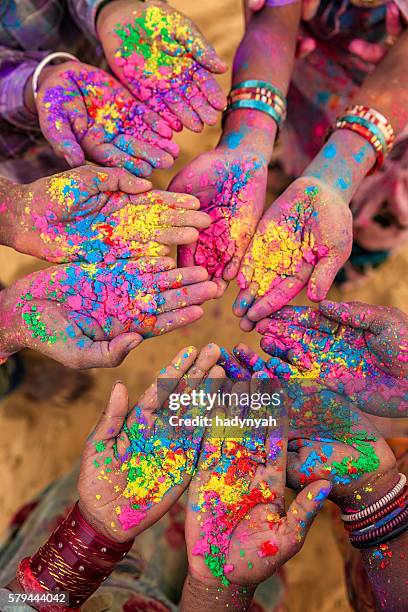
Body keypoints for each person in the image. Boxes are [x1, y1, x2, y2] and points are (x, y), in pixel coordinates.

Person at [170, 0, 408, 328]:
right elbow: (275, 14)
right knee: (301, 149)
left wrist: (335, 175)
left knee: (382, 212)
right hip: (308, 78)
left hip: (396, 113)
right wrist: (249, 138)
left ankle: (364, 257)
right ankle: (297, 173)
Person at [0, 0, 226, 183]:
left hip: (106, 70)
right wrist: (36, 84)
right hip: (13, 138)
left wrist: (113, 7)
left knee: (130, 158)